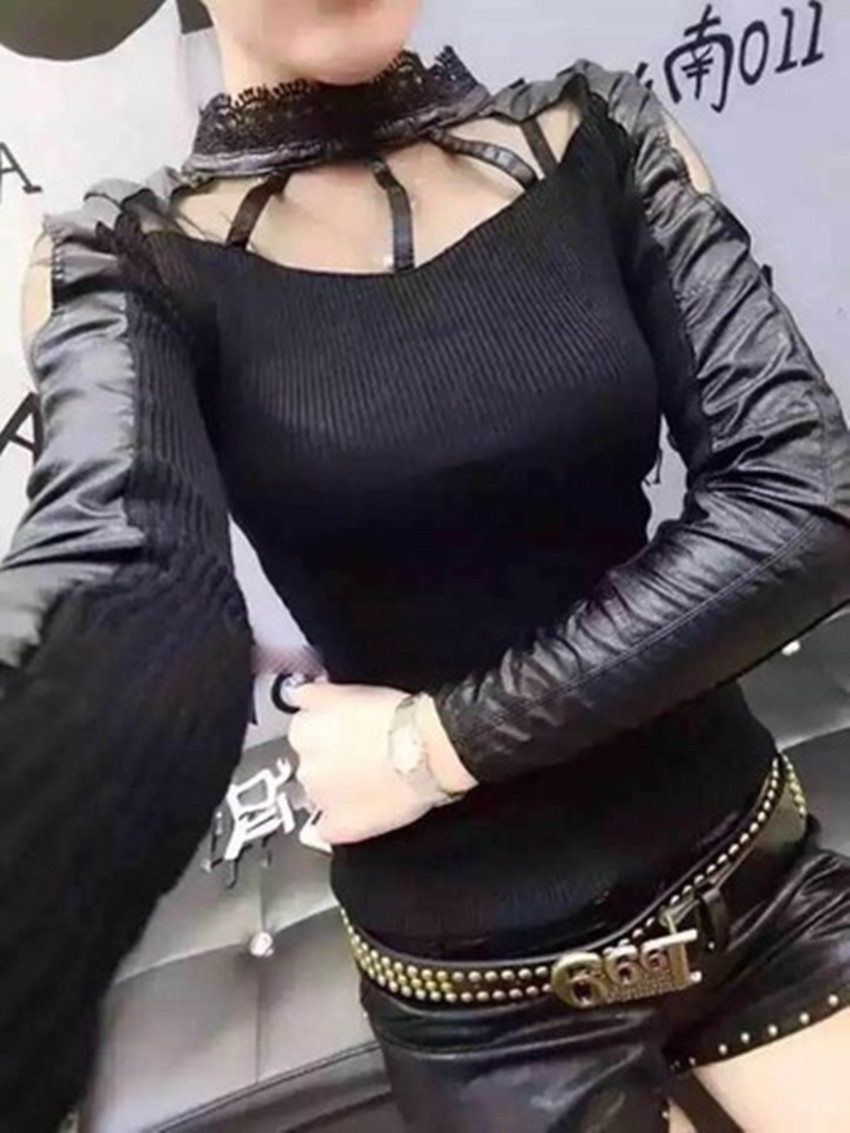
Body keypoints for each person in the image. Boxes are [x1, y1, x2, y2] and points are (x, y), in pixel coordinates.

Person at [2, 0, 850, 1128]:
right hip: (483, 1001)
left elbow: (803, 499)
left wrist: (434, 745)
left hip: (756, 879)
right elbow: (114, 574)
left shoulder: (599, 133)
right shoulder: (123, 266)